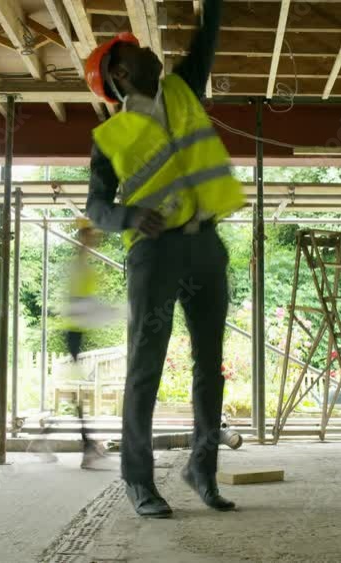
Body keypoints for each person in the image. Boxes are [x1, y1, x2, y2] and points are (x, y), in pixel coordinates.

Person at [83, 0, 244, 518]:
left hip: (205, 246)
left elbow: (206, 39)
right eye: (138, 49)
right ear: (122, 72)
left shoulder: (181, 89)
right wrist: (130, 217)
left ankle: (202, 468)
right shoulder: (109, 138)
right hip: (154, 252)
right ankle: (138, 480)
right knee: (145, 367)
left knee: (209, 367)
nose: (153, 49)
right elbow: (95, 207)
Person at [62, 219, 120, 471]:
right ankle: (87, 447)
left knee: (78, 393)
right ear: (83, 237)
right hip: (73, 333)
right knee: (78, 393)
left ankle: (89, 446)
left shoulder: (83, 264)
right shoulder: (79, 266)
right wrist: (111, 312)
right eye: (91, 236)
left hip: (77, 332)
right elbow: (79, 305)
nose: (95, 239)